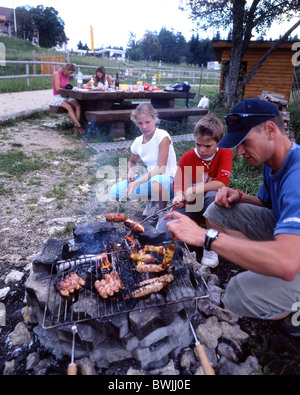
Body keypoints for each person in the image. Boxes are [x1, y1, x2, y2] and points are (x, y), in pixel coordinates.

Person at [165, 98, 300, 336]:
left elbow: (289, 263)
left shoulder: (297, 176)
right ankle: (265, 267)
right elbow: (267, 204)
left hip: (292, 255)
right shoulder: (273, 163)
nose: (239, 152)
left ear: (270, 130)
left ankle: (290, 302)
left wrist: (206, 237)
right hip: (289, 236)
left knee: (237, 294)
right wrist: (239, 195)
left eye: (245, 142)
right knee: (217, 210)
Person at [157, 115, 232, 267]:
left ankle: (211, 246)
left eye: (208, 146)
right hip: (191, 205)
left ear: (218, 143)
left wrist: (194, 189)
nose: (202, 150)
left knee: (213, 195)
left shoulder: (225, 152)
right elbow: (178, 185)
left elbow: (221, 183)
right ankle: (179, 249)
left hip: (211, 205)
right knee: (163, 230)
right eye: (198, 144)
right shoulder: (187, 157)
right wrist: (179, 195)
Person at [109, 103, 177, 213]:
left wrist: (137, 182)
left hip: (169, 180)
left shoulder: (162, 136)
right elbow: (132, 161)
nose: (144, 127)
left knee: (157, 182)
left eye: (147, 122)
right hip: (150, 179)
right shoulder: (138, 141)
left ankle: (162, 212)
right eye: (140, 123)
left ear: (154, 119)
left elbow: (161, 169)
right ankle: (152, 202)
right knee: (114, 192)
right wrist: (130, 170)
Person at [52, 63, 85, 134]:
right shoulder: (56, 74)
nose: (70, 74)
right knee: (69, 107)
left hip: (66, 95)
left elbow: (65, 85)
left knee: (78, 106)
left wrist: (69, 87)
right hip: (58, 96)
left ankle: (75, 126)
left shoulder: (67, 75)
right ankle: (78, 126)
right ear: (66, 70)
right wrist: (66, 89)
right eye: (70, 72)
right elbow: (57, 89)